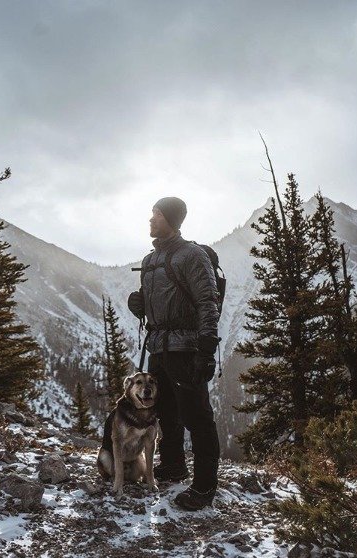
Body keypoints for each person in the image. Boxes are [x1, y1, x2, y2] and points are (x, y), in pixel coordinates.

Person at [127, 196, 220, 511]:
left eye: (156, 214)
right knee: (165, 411)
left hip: (184, 348)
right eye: (152, 212)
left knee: (198, 417)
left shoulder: (191, 256)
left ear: (171, 218)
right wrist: (138, 304)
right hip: (158, 348)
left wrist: (206, 349)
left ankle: (205, 487)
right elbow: (152, 298)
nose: (150, 219)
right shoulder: (152, 259)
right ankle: (174, 465)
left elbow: (208, 301)